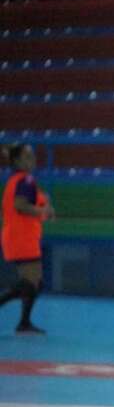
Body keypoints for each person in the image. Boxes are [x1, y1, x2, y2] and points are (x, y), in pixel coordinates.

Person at [1, 143, 55, 335]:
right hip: (21, 238)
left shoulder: (22, 180)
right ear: (16, 161)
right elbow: (20, 206)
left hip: (23, 236)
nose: (31, 160)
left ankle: (24, 322)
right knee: (31, 282)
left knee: (36, 283)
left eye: (32, 156)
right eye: (26, 157)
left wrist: (45, 210)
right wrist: (43, 210)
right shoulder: (25, 181)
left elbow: (35, 204)